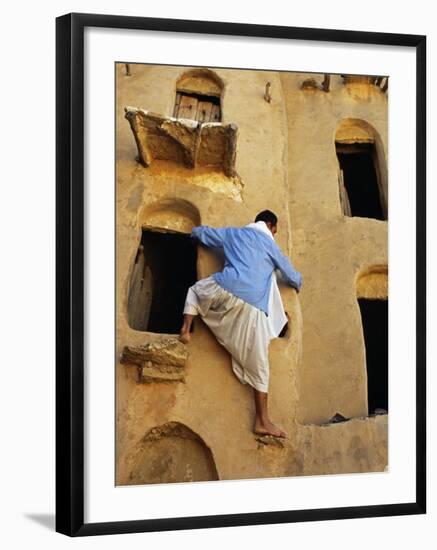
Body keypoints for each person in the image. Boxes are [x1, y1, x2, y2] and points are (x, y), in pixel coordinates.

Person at [179, 210, 302, 438]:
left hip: (224, 288)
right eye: (275, 230)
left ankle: (186, 328)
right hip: (251, 307)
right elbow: (290, 273)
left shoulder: (233, 234)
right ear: (270, 225)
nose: (274, 234)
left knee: (195, 291)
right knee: (261, 369)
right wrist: (298, 282)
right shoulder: (269, 244)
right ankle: (262, 420)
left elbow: (205, 234)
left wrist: (194, 232)